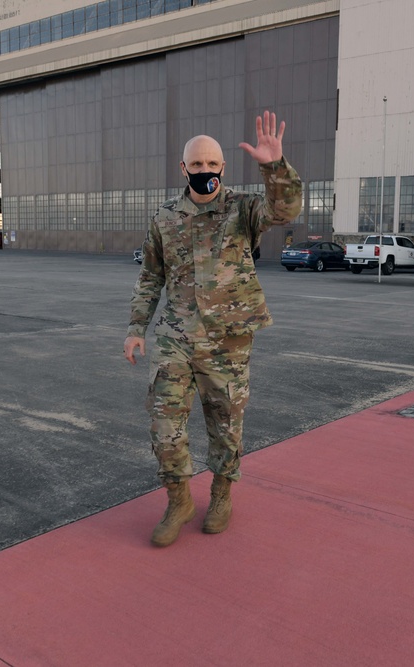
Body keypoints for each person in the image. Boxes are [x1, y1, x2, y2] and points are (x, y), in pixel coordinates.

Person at [124, 111, 303, 547]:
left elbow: (284, 209)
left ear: (223, 168)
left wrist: (274, 167)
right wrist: (136, 328)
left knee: (226, 423)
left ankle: (221, 494)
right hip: (175, 335)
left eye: (212, 164)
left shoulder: (243, 209)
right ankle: (179, 498)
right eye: (197, 164)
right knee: (164, 422)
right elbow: (151, 276)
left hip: (229, 338)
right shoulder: (164, 217)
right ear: (183, 169)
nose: (205, 171)